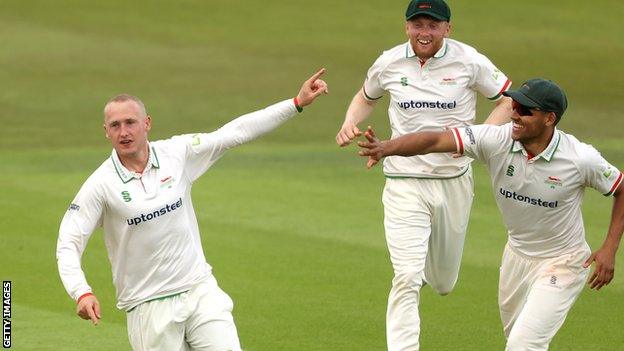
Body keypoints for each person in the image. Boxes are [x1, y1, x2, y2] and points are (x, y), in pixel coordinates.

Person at [56, 69, 328, 351]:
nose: (123, 132)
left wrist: (295, 103)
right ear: (106, 131)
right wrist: (81, 292)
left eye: (130, 122)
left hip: (199, 289)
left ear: (147, 123)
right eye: (115, 125)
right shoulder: (101, 184)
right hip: (148, 306)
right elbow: (68, 242)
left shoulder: (177, 153)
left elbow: (233, 134)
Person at [358, 78, 624, 350]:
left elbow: (621, 188)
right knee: (515, 340)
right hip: (516, 257)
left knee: (523, 345)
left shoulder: (581, 158)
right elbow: (436, 139)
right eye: (515, 106)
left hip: (563, 261)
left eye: (525, 111)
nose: (515, 115)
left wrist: (609, 248)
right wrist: (387, 148)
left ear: (549, 118)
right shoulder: (496, 138)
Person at [335, 0, 513, 349]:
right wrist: (349, 121)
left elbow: (509, 99)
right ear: (407, 27)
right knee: (405, 277)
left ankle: (429, 273)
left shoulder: (469, 60)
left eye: (433, 25)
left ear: (448, 28)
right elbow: (366, 96)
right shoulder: (389, 61)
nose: (424, 33)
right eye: (418, 24)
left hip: (453, 181)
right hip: (404, 181)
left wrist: (479, 138)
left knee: (443, 282)